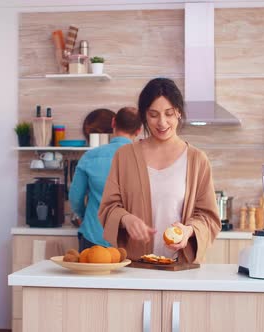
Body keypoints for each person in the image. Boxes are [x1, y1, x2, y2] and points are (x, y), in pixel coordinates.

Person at [98, 78, 220, 263]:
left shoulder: (197, 160)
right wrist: (126, 219)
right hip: (134, 267)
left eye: (169, 113)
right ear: (144, 116)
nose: (162, 123)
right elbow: (108, 208)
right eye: (153, 115)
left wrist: (189, 230)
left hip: (181, 268)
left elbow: (208, 216)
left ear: (178, 112)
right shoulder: (124, 156)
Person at [69, 107, 142, 252]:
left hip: (93, 236)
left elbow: (75, 197)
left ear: (113, 123)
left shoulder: (90, 156)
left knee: (91, 275)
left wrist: (84, 216)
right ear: (139, 130)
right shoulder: (145, 159)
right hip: (131, 239)